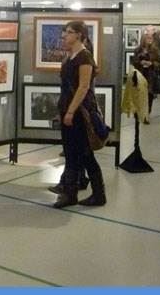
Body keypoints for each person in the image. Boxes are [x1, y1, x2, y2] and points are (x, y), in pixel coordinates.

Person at [51, 20, 106, 209]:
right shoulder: (70, 56)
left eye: (68, 32)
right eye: (65, 32)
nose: (64, 35)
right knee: (70, 152)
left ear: (79, 35)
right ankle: (70, 193)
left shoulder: (84, 57)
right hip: (68, 110)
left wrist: (71, 111)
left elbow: (83, 88)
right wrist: (63, 111)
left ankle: (98, 194)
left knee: (84, 153)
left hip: (79, 113)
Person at [133, 31, 160, 117]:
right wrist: (140, 62)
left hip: (150, 75)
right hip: (140, 74)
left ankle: (147, 113)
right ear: (143, 39)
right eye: (148, 38)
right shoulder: (137, 50)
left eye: (151, 38)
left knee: (149, 95)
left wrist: (151, 63)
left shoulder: (155, 50)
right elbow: (134, 61)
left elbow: (159, 63)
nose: (150, 40)